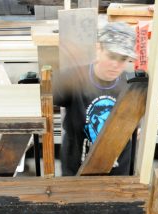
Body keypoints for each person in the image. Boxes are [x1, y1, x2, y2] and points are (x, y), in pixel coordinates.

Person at [54, 22, 139, 176]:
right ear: (98, 49)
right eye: (111, 56)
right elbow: (46, 99)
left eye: (123, 58)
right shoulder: (74, 78)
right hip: (76, 169)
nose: (116, 64)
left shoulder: (132, 86)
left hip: (117, 171)